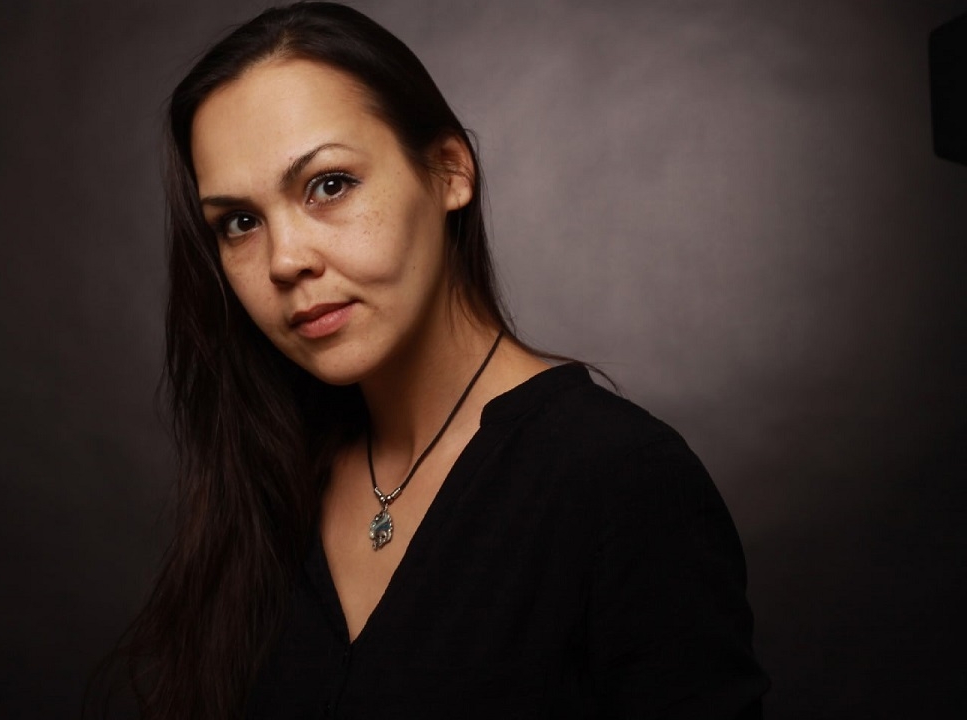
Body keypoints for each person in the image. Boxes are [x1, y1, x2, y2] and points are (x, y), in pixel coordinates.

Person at [121, 2, 770, 718]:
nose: (285, 260)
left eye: (329, 185)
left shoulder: (621, 479)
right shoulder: (271, 480)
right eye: (240, 222)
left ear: (449, 171)